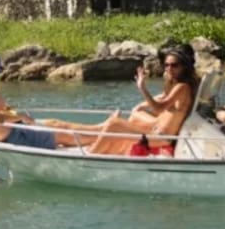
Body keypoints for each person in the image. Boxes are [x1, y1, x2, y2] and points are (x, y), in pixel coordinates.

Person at [50, 47, 199, 156]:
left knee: (114, 123)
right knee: (131, 116)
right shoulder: (179, 86)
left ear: (184, 67)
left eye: (174, 65)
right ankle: (103, 147)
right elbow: (163, 101)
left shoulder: (182, 87)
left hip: (161, 138)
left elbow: (159, 108)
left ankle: (91, 154)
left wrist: (142, 87)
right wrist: (145, 102)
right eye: (166, 65)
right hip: (156, 132)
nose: (169, 69)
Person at [0, 51, 78, 149]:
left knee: (54, 123)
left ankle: (96, 129)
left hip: (1, 133)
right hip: (14, 136)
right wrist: (21, 116)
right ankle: (95, 138)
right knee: (63, 134)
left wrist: (8, 113)